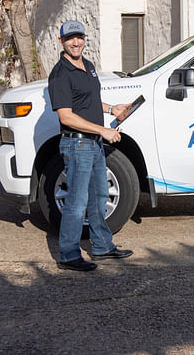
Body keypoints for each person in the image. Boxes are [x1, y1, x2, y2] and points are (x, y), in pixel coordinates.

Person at [47, 20, 133, 271]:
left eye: (79, 37)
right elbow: (66, 116)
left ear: (84, 39)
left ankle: (102, 246)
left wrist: (112, 109)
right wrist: (103, 130)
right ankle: (68, 255)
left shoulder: (88, 66)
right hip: (77, 145)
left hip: (93, 144)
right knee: (77, 202)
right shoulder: (60, 74)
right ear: (61, 41)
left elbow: (88, 101)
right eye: (70, 38)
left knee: (99, 196)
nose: (76, 42)